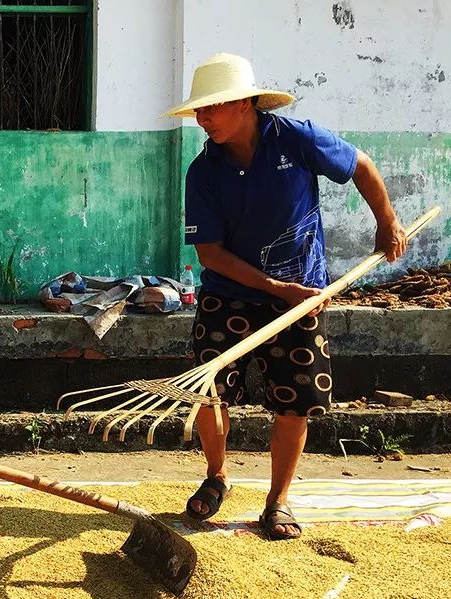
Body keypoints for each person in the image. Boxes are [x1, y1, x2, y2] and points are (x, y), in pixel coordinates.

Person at [163, 53, 407, 539]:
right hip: (229, 296)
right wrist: (276, 289)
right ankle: (217, 476)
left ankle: (278, 501)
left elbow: (360, 164)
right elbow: (210, 253)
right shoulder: (202, 172)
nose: (202, 118)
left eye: (212, 108)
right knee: (209, 393)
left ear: (246, 104)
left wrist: (386, 221)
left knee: (296, 400)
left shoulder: (297, 139)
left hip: (303, 294)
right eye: (200, 110)